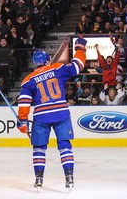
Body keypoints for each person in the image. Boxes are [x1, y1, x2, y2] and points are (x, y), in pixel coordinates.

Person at [16, 36, 87, 191]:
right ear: (48, 60)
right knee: (64, 146)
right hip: (61, 113)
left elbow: (24, 102)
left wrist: (22, 121)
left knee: (39, 148)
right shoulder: (57, 68)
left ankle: (39, 180)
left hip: (41, 116)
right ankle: (69, 178)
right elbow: (78, 66)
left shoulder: (28, 80)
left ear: (36, 63)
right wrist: (80, 48)